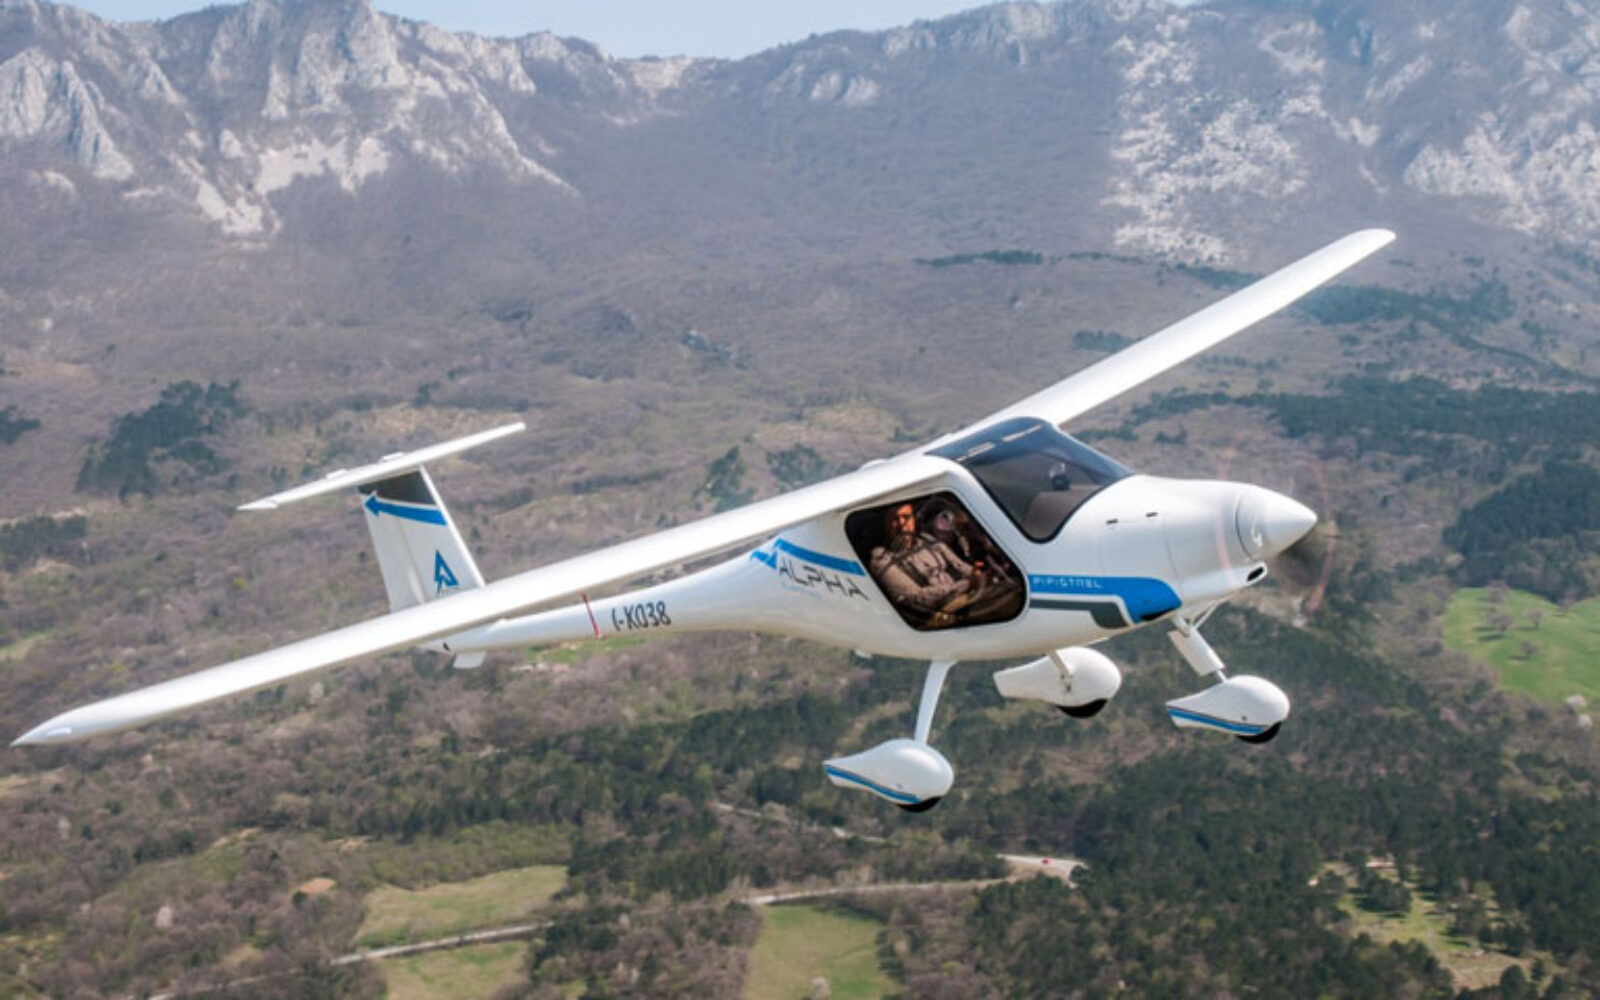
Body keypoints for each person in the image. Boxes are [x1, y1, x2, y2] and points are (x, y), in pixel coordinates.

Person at [869, 503, 983, 627]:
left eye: (906, 517)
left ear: (913, 520)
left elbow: (959, 565)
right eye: (895, 519)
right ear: (886, 524)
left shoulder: (926, 539)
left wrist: (979, 574)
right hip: (935, 618)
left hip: (964, 600)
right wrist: (966, 585)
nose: (902, 523)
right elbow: (915, 598)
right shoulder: (881, 558)